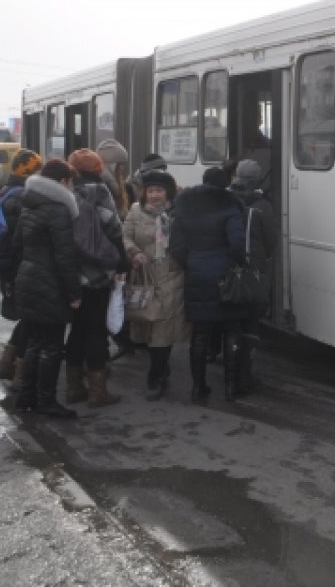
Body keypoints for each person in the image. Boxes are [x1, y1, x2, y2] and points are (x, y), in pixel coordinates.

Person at [169, 167, 248, 402]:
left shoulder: (185, 205)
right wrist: (237, 264)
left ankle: (198, 387)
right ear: (226, 184)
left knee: (200, 333)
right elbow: (237, 244)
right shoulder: (230, 205)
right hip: (225, 274)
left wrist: (191, 263)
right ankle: (231, 387)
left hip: (197, 272)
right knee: (232, 330)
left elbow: (176, 244)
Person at [12, 159, 82, 418]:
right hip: (51, 283)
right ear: (63, 182)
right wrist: (74, 293)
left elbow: (17, 244)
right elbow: (65, 258)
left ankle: (26, 398)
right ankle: (46, 401)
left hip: (28, 278)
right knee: (52, 346)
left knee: (33, 342)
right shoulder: (58, 210)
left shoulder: (29, 204)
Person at [65, 149, 130, 408]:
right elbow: (113, 227)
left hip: (71, 271)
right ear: (98, 167)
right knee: (95, 330)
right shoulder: (98, 191)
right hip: (96, 272)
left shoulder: (66, 192)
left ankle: (73, 388)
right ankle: (97, 391)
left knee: (76, 330)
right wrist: (121, 260)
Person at [122, 169, 188, 400]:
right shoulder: (135, 211)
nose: (154, 195)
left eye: (159, 190)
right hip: (145, 277)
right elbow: (125, 236)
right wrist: (134, 253)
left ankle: (156, 374)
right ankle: (160, 365)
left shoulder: (179, 213)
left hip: (172, 276)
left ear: (168, 192)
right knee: (149, 326)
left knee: (164, 328)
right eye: (150, 190)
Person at [0, 149, 43, 396]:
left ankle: (6, 363)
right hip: (20, 268)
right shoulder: (23, 197)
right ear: (30, 171)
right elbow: (25, 238)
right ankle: (20, 375)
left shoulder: (4, 192)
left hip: (8, 268)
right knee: (31, 321)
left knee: (26, 318)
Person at [227, 159, 277, 395]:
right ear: (257, 180)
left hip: (228, 271)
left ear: (236, 175)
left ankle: (229, 377)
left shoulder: (224, 199)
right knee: (250, 324)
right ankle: (243, 376)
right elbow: (271, 243)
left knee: (231, 323)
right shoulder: (262, 206)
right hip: (254, 272)